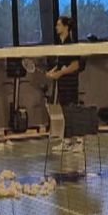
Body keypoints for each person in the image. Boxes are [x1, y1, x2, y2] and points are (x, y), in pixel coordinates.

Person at [46, 15, 85, 151]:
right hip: (62, 84)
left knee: (72, 111)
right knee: (66, 113)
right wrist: (52, 72)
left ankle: (79, 141)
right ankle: (68, 141)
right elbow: (60, 64)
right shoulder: (62, 45)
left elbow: (75, 65)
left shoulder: (70, 44)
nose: (56, 27)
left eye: (59, 25)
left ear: (66, 27)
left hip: (70, 83)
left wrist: (60, 73)